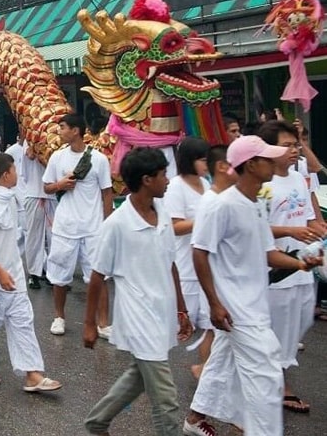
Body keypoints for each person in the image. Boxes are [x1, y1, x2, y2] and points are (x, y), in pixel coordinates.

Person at [184, 135, 323, 436]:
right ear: (250, 165)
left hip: (253, 301)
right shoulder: (221, 206)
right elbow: (200, 251)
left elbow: (267, 253)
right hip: (236, 309)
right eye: (267, 158)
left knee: (222, 364)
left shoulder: (257, 202)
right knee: (268, 373)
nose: (275, 162)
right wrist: (215, 303)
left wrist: (300, 263)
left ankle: (194, 419)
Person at [83, 147, 194, 435]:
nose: (168, 180)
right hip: (138, 318)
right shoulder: (117, 225)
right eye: (163, 175)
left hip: (162, 313)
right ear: (147, 180)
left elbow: (171, 263)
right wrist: (89, 325)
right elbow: (97, 276)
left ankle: (96, 424)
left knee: (139, 377)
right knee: (166, 399)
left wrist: (181, 309)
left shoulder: (163, 213)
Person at [0, 153, 61, 392]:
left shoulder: (9, 198)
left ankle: (33, 374)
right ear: (6, 174)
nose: (18, 174)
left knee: (23, 321)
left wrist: (11, 272)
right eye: (15, 170)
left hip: (13, 274)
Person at [257, 120, 323, 414]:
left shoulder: (298, 178)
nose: (294, 150)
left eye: (295, 144)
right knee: (278, 331)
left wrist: (318, 229)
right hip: (277, 271)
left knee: (300, 323)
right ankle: (280, 386)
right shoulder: (262, 185)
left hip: (304, 266)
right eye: (287, 145)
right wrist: (291, 233)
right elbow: (254, 228)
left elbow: (309, 218)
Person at [42, 114, 113, 337]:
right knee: (59, 274)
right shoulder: (57, 157)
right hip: (65, 226)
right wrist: (60, 184)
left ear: (76, 130)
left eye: (62, 127)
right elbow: (46, 188)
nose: (59, 131)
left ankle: (102, 323)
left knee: (98, 275)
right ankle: (59, 317)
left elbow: (107, 193)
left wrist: (107, 224)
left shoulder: (99, 159)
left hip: (93, 227)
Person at [162, 137, 213, 379]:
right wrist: (205, 220)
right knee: (179, 324)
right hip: (185, 265)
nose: (207, 163)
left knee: (210, 323)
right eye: (203, 159)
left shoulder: (206, 183)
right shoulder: (175, 187)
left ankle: (206, 369)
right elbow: (175, 225)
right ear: (190, 161)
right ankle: (149, 367)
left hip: (207, 265)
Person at [6, 132, 55, 289]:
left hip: (53, 194)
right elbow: (31, 155)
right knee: (34, 236)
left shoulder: (56, 137)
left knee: (55, 237)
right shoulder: (31, 138)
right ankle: (34, 273)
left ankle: (53, 273)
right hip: (34, 193)